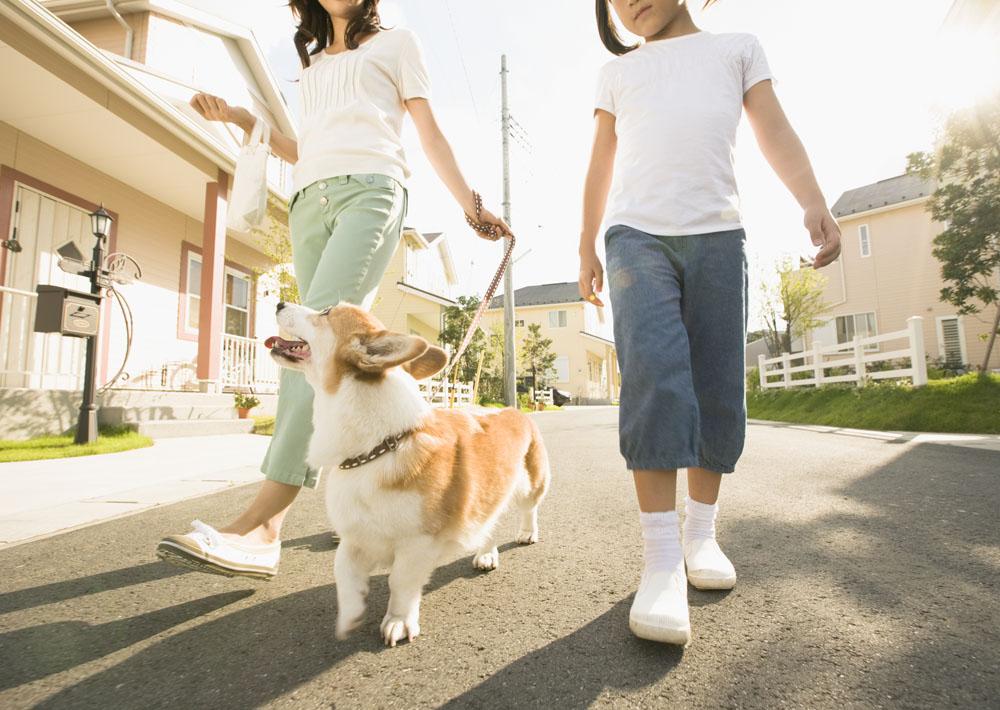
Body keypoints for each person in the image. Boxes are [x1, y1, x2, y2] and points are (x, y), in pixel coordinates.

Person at [156, 0, 509, 580]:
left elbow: (428, 131)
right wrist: (245, 119)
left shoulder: (399, 44)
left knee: (311, 348)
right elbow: (306, 149)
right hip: (306, 203)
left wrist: (471, 207)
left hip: (370, 192)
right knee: (313, 353)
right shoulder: (312, 66)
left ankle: (263, 527)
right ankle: (386, 476)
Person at [578, 0, 841, 644]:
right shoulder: (617, 74)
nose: (627, 4)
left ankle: (701, 534)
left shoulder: (738, 48)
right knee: (656, 379)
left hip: (719, 236)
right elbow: (600, 163)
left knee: (717, 384)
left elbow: (773, 130)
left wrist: (813, 202)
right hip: (636, 238)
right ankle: (661, 560)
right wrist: (585, 243)